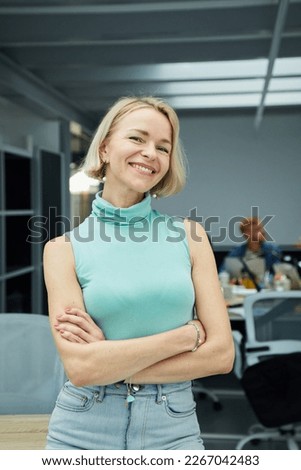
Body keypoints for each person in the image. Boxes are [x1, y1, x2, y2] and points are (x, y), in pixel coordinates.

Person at [43, 96, 234, 450]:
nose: (151, 153)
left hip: (173, 427)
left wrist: (110, 363)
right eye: (137, 138)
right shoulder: (61, 250)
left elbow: (221, 355)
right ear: (103, 149)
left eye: (163, 147)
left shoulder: (190, 237)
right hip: (82, 428)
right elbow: (81, 370)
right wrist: (186, 336)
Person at [219, 216, 282, 284]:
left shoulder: (272, 251)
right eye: (257, 229)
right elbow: (223, 271)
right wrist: (231, 278)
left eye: (261, 228)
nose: (262, 232)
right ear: (247, 233)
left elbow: (278, 270)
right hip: (242, 288)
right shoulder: (237, 251)